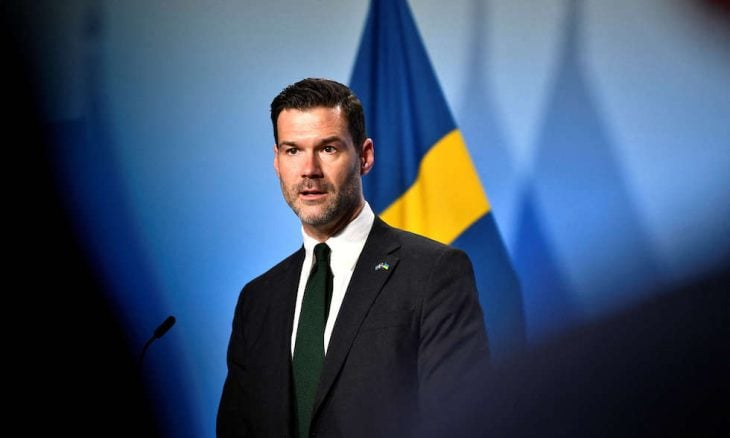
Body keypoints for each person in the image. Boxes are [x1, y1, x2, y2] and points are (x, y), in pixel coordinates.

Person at [217, 78, 490, 438]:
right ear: (277, 161)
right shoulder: (257, 301)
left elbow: (460, 424)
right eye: (293, 150)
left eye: (328, 148)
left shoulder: (433, 274)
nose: (309, 170)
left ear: (365, 156)